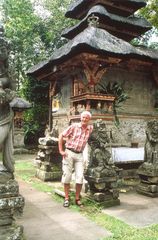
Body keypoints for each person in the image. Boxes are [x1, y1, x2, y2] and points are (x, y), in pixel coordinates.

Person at [58, 111, 93, 207]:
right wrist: (61, 150)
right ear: (80, 118)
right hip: (69, 153)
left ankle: (77, 198)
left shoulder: (90, 129)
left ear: (89, 120)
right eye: (83, 117)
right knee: (67, 176)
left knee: (80, 177)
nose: (84, 119)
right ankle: (66, 198)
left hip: (79, 155)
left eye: (86, 118)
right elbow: (62, 135)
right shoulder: (74, 126)